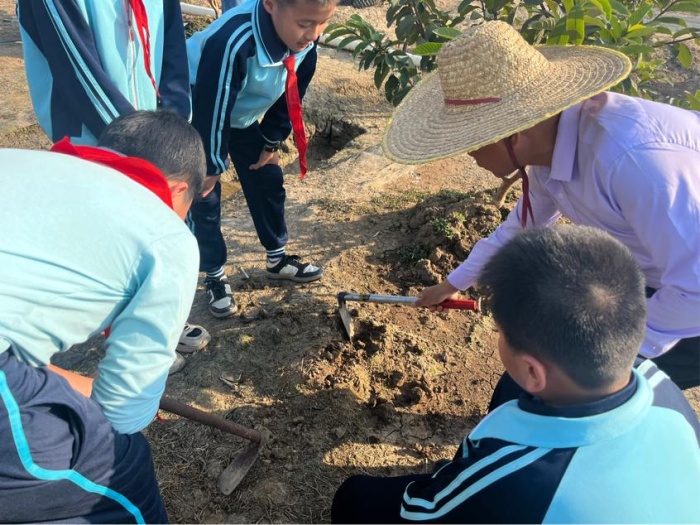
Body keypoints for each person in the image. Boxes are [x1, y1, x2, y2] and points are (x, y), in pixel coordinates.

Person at [383, 21, 700, 389]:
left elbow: (694, 289)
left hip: (689, 305)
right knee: (538, 379)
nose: (468, 154)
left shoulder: (635, 164)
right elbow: (522, 227)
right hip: (659, 274)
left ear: (514, 135)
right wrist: (454, 283)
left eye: (471, 143)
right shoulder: (552, 148)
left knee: (576, 389)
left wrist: (609, 352)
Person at [331, 225, 700, 523]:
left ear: (533, 371)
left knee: (354, 498)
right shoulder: (667, 393)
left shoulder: (515, 478)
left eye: (500, 332)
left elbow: (417, 511)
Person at [0, 110, 205, 523]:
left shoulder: (18, 161)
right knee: (122, 474)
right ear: (179, 189)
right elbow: (123, 414)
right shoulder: (167, 235)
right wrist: (118, 395)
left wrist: (69, 383)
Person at [16, 0, 208, 360]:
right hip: (95, 140)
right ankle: (124, 338)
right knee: (111, 243)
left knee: (158, 229)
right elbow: (76, 67)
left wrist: (174, 125)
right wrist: (139, 147)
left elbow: (172, 48)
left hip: (154, 133)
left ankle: (157, 321)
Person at [187, 0, 337, 318]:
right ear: (270, 4)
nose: (314, 34)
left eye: (323, 23)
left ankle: (277, 259)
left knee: (267, 177)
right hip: (198, 111)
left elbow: (295, 88)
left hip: (240, 115)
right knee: (204, 196)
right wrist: (211, 164)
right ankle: (214, 275)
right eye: (305, 24)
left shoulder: (306, 37)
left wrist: (271, 139)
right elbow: (212, 106)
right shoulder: (233, 42)